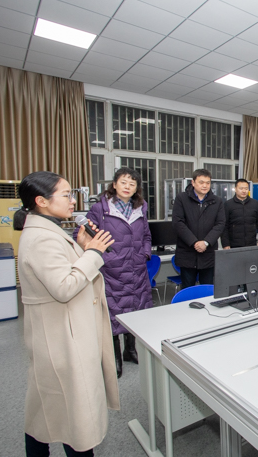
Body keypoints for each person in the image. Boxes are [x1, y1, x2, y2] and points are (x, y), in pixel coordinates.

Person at [14, 171, 119, 457]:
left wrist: (84, 248)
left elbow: (65, 271)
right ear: (41, 201)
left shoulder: (49, 230)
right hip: (62, 337)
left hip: (59, 332)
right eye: (66, 195)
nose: (73, 201)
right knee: (75, 416)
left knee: (48, 410)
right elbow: (63, 287)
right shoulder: (42, 239)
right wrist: (93, 253)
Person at [75, 167, 152, 378]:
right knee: (112, 314)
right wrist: (104, 258)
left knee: (135, 310)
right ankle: (114, 358)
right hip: (111, 271)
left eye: (132, 183)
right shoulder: (100, 208)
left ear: (136, 188)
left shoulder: (141, 207)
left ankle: (130, 350)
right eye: (123, 182)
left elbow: (146, 235)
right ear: (115, 184)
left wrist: (145, 253)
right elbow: (80, 235)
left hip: (136, 269)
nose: (127, 187)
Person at [172, 169, 226, 289]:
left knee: (207, 289)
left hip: (208, 254)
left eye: (208, 183)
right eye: (201, 182)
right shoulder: (181, 198)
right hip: (187, 253)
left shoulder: (217, 201)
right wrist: (194, 242)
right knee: (187, 289)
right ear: (193, 182)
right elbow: (178, 223)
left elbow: (220, 224)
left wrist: (206, 242)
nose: (205, 185)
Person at [222, 178, 258, 249]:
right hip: (234, 244)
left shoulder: (255, 203)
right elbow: (224, 225)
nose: (244, 191)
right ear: (235, 189)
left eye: (246, 188)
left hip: (251, 243)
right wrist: (225, 244)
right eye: (241, 188)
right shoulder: (228, 204)